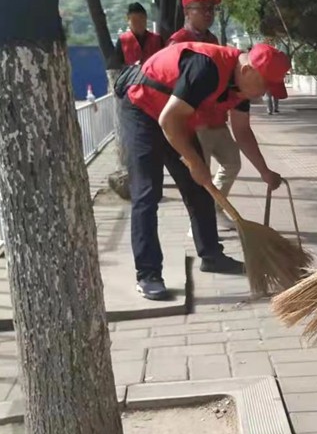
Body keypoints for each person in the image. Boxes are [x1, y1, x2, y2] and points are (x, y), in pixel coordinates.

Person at [120, 40, 289, 300]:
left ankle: (212, 256)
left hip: (175, 119)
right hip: (142, 108)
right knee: (147, 192)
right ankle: (148, 274)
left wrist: (264, 171)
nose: (264, 94)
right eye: (265, 86)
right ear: (248, 71)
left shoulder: (241, 87)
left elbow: (242, 132)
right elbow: (168, 120)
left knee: (199, 190)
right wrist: (195, 162)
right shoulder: (206, 68)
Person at [168, 0, 241, 231]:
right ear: (187, 11)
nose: (209, 13)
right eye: (202, 8)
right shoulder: (178, 42)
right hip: (194, 122)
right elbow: (173, 84)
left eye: (211, 8)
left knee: (232, 162)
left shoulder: (212, 40)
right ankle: (200, 227)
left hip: (216, 118)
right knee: (200, 174)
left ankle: (215, 210)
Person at [113, 2, 163, 68]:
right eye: (134, 21)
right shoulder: (122, 41)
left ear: (146, 18)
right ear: (128, 20)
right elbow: (117, 66)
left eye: (141, 19)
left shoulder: (157, 40)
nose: (139, 24)